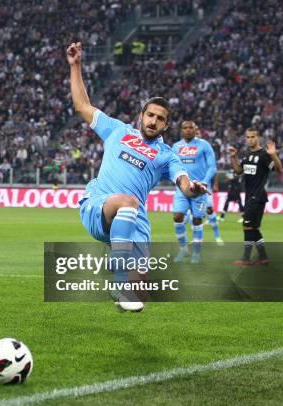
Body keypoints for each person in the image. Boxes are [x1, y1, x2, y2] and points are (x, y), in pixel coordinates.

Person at [67, 42, 207, 312]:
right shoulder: (118, 130)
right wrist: (76, 66)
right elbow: (81, 104)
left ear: (167, 125)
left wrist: (194, 189)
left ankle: (121, 283)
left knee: (137, 299)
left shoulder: (167, 155)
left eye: (160, 119)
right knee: (128, 202)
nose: (154, 121)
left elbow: (184, 184)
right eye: (150, 115)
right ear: (141, 115)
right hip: (100, 204)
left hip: (135, 221)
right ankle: (118, 276)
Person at [229, 128, 283, 266]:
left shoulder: (264, 155)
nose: (250, 139)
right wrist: (233, 157)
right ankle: (263, 258)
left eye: (253, 137)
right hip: (249, 196)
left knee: (247, 226)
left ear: (258, 137)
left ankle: (246, 258)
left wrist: (274, 155)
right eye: (248, 137)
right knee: (253, 227)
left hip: (257, 196)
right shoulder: (247, 155)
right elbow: (238, 171)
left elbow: (279, 170)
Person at [171, 120, 218, 263]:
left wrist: (204, 182)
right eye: (184, 128)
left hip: (200, 189)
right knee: (178, 216)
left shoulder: (204, 145)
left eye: (190, 127)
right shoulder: (176, 147)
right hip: (182, 189)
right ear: (181, 130)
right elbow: (172, 166)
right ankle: (183, 249)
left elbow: (212, 167)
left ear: (195, 129)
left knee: (197, 220)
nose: (188, 130)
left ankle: (196, 253)